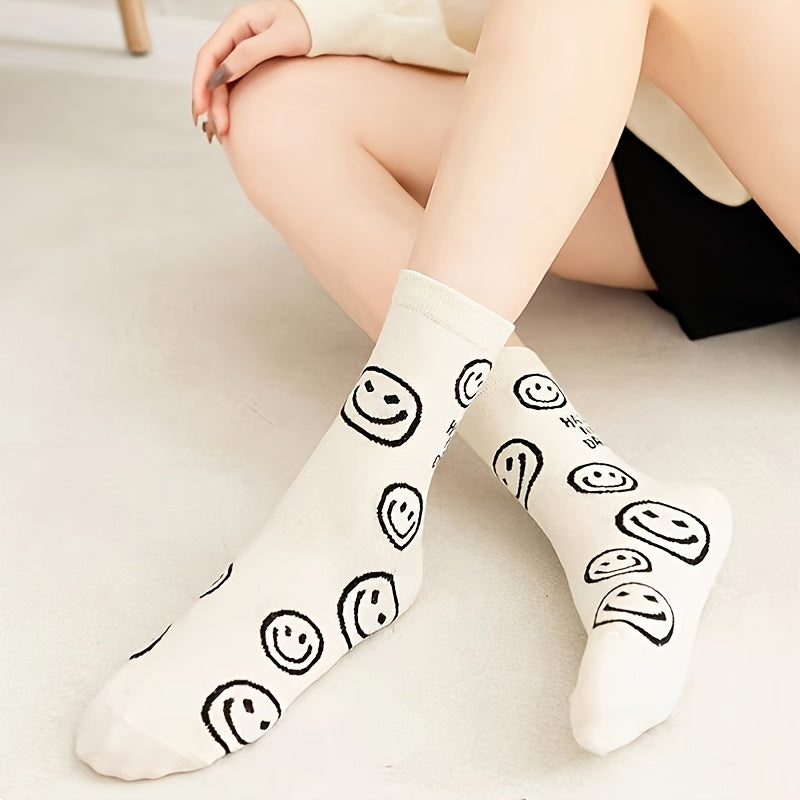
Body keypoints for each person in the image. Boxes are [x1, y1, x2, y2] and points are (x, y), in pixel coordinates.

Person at [75, 0, 799, 780]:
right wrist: (338, 20)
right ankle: (603, 502)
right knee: (277, 107)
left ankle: (356, 510)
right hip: (681, 161)